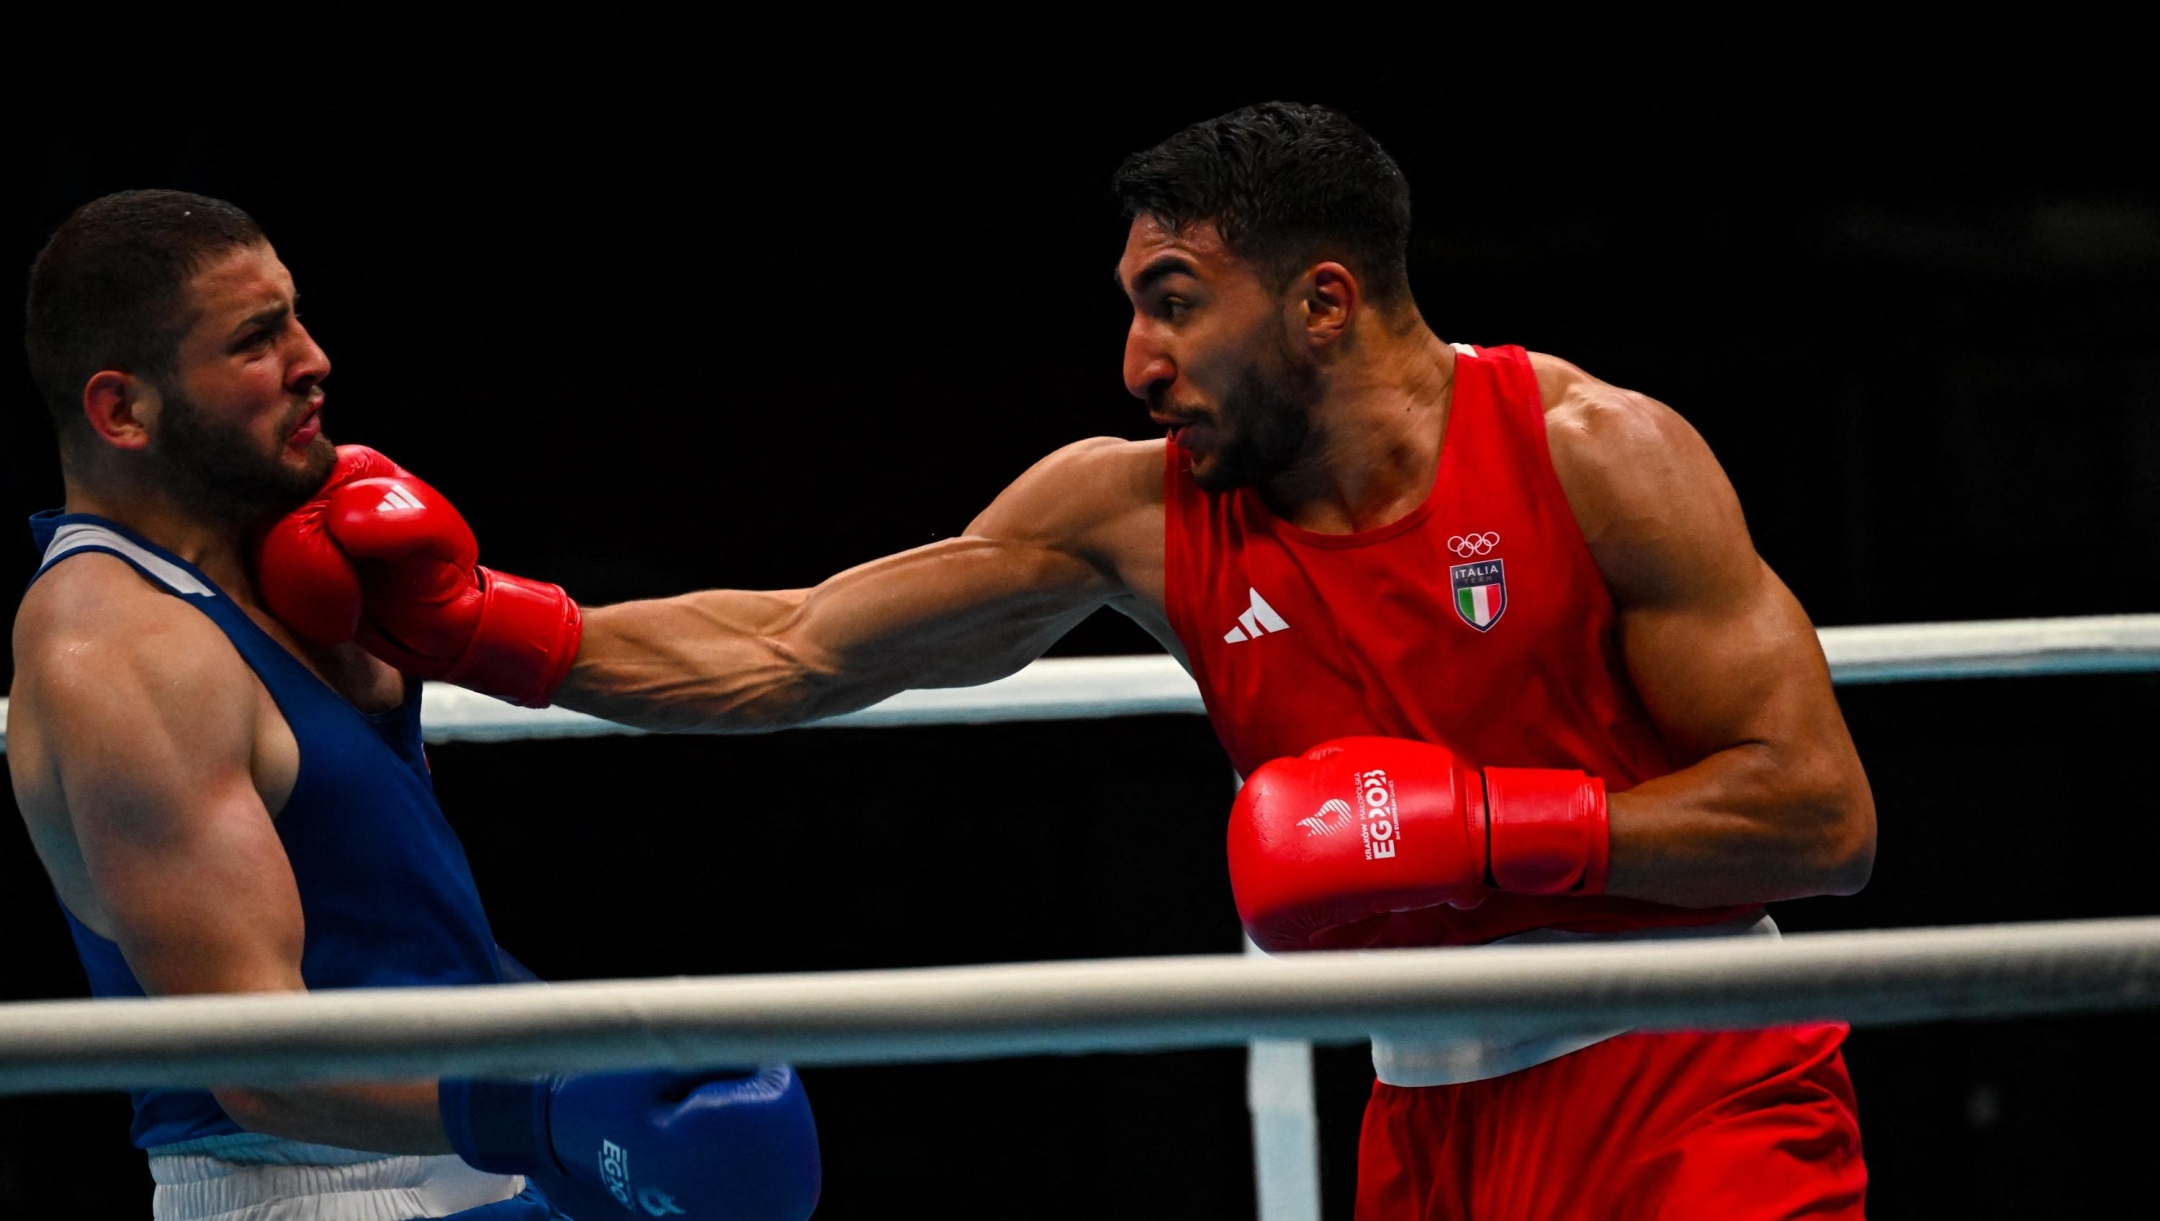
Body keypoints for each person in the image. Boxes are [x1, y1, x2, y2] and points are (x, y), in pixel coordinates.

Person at [263, 102, 1876, 1218]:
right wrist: (482, 625)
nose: (1136, 359)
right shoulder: (1126, 510)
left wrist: (1479, 827)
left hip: (1699, 1075)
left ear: (1324, 300)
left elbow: (1820, 814)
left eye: (1175, 302)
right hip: (1427, 1110)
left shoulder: (1598, 451)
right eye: (1130, 307)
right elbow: (790, 645)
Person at [7, 190, 821, 1221]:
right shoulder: (118, 648)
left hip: (457, 1151)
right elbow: (252, 1061)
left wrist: (605, 1063)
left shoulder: (300, 572)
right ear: (122, 410)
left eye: (294, 315)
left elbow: (392, 933)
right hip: (307, 1186)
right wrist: (548, 1105)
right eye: (258, 340)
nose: (314, 358)